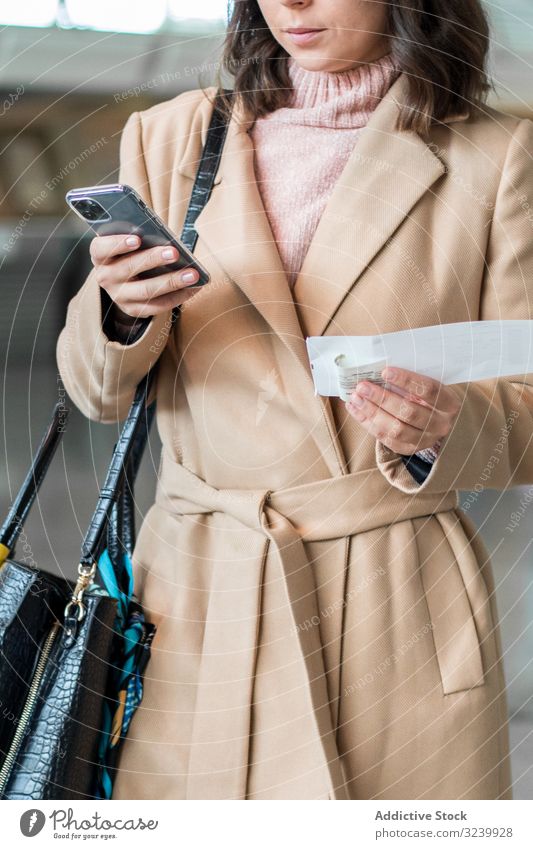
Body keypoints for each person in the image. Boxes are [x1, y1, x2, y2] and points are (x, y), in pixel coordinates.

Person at [56, 0, 533, 800]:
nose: (293, 5)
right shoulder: (170, 136)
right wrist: (117, 311)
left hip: (391, 602)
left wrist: (453, 424)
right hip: (193, 599)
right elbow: (96, 395)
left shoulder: (497, 157)